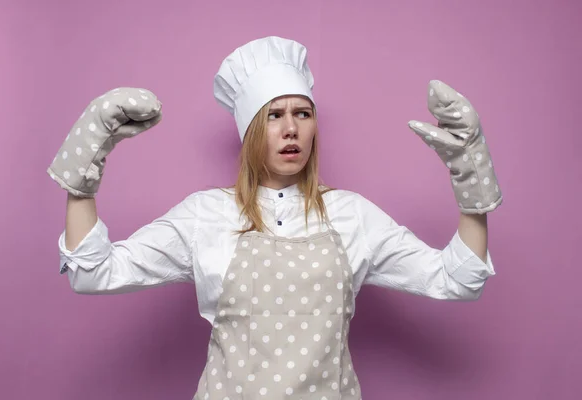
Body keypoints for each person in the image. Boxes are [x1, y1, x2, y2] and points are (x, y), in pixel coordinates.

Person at [47, 36, 502, 399]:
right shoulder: (206, 215)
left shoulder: (352, 216)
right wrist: (84, 167)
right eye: (274, 116)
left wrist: (471, 184)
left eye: (302, 114)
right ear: (249, 131)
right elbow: (93, 272)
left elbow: (456, 281)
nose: (291, 129)